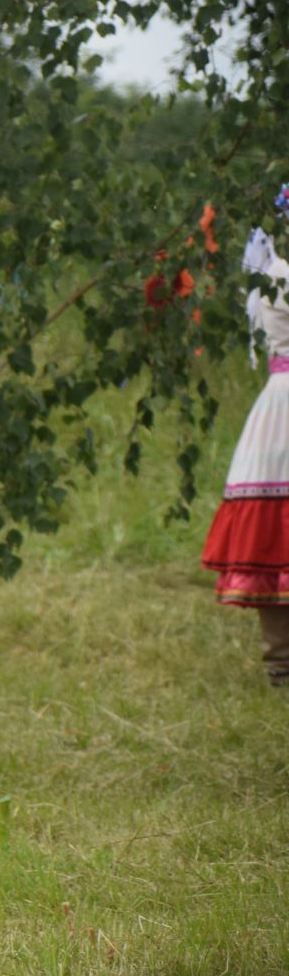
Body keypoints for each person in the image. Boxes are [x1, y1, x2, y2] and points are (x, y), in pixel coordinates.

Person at [202, 187, 289, 685]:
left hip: (276, 402)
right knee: (276, 532)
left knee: (277, 529)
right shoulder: (281, 274)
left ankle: (280, 658)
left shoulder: (269, 273)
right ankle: (281, 660)